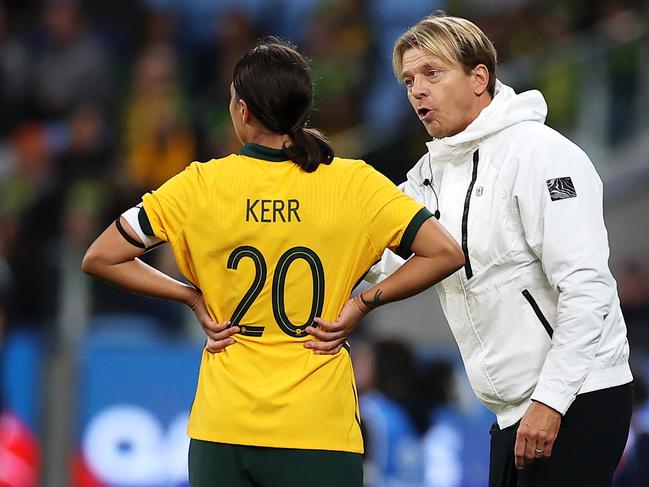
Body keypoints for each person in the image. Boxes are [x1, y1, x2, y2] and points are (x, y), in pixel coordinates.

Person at [82, 39, 465, 487]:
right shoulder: (355, 184)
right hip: (319, 428)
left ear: (242, 111)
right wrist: (362, 305)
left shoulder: (199, 185)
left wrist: (190, 297)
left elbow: (101, 256)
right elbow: (445, 252)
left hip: (223, 427)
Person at [309, 13, 633, 487]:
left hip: (579, 395)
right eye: (408, 80)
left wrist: (551, 401)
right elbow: (370, 258)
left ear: (479, 78)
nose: (417, 90)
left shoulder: (542, 154)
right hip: (509, 410)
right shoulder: (426, 178)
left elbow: (589, 291)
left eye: (433, 73)